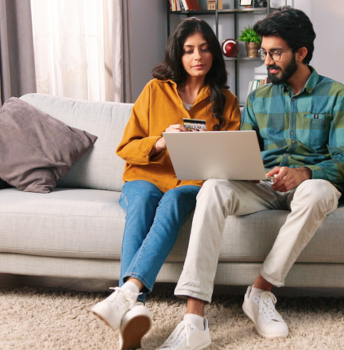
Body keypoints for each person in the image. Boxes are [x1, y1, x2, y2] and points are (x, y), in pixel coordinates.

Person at [158, 7, 344, 350]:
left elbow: (343, 163)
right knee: (214, 188)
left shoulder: (337, 94)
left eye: (275, 53)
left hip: (308, 185)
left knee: (320, 193)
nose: (268, 61)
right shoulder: (259, 97)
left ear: (301, 53)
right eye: (264, 53)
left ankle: (260, 292)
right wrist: (241, 169)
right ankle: (194, 318)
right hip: (261, 185)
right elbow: (245, 148)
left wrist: (303, 173)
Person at [91, 17, 241, 350]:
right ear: (178, 54)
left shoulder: (226, 102)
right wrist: (159, 141)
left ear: (214, 53)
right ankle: (135, 307)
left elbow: (231, 160)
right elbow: (126, 147)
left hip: (192, 184)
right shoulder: (154, 90)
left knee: (174, 200)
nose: (197, 57)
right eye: (188, 50)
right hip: (145, 177)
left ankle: (127, 296)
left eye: (203, 49)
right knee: (143, 201)